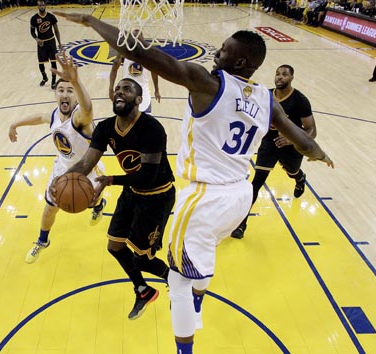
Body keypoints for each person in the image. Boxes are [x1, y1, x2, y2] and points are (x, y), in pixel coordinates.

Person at [54, 13, 333, 354]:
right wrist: (319, 155)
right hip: (240, 195)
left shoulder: (208, 83)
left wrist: (89, 21)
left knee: (179, 282)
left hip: (205, 197)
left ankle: (185, 345)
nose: (218, 51)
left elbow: (141, 53)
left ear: (241, 60)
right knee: (199, 260)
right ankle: (197, 303)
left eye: (226, 49)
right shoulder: (267, 99)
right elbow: (303, 142)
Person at [60, 78, 175, 321]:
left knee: (142, 259)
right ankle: (143, 290)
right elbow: (86, 163)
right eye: (117, 89)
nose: (119, 92)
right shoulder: (105, 128)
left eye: (127, 89)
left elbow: (147, 176)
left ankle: (176, 280)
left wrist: (108, 180)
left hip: (157, 196)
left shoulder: (152, 129)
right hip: (132, 193)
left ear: (139, 99)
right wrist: (60, 182)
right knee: (115, 246)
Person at [9, 53, 106, 264]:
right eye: (61, 90)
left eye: (70, 91)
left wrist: (76, 81)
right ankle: (42, 241)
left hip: (87, 170)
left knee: (91, 201)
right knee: (49, 208)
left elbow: (88, 108)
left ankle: (99, 205)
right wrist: (15, 124)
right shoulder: (54, 114)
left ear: (75, 96)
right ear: (56, 95)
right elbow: (40, 117)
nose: (65, 94)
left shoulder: (80, 118)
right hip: (62, 169)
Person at [231, 64, 317, 239]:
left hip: (292, 146)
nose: (279, 77)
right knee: (256, 183)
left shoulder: (300, 100)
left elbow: (312, 131)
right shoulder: (265, 95)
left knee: (292, 171)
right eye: (277, 74)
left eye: (284, 74)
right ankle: (241, 224)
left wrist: (291, 139)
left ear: (292, 78)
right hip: (269, 143)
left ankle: (299, 178)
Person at [108, 30, 161, 113]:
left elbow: (154, 72)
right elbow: (114, 68)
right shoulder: (124, 52)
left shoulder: (147, 53)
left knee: (140, 122)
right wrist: (110, 89)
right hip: (129, 93)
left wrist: (157, 89)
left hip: (141, 94)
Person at [30, 0, 62, 90]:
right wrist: (36, 39)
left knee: (53, 62)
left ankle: (53, 81)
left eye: (43, 5)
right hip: (41, 43)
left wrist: (59, 43)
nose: (41, 7)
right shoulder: (34, 18)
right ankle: (44, 77)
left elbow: (56, 30)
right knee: (41, 63)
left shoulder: (51, 17)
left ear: (45, 6)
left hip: (51, 42)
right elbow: (32, 31)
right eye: (40, 5)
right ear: (37, 6)